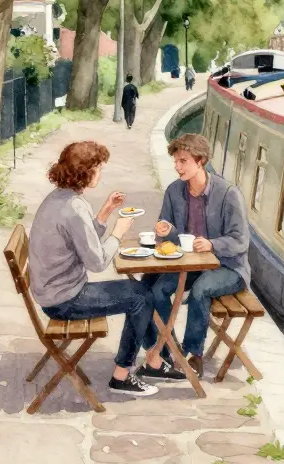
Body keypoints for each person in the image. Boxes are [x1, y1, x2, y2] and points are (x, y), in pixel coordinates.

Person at [28, 141, 186, 397]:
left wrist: (105, 212)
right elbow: (97, 262)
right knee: (140, 297)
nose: (100, 175)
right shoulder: (73, 208)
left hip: (54, 291)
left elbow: (82, 240)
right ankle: (122, 375)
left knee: (140, 290)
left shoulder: (60, 198)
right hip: (65, 300)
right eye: (99, 169)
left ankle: (154, 362)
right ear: (85, 171)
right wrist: (118, 233)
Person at [146, 133, 250, 377]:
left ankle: (194, 355)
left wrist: (212, 244)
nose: (177, 166)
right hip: (190, 264)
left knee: (201, 289)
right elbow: (168, 233)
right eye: (175, 161)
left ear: (200, 161)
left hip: (228, 267)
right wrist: (166, 230)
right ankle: (168, 349)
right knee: (157, 290)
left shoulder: (228, 194)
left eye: (183, 161)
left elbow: (240, 241)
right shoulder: (174, 191)